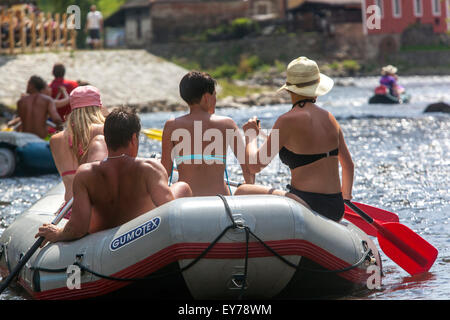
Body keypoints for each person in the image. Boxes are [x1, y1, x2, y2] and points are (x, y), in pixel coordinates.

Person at [35, 107, 191, 246]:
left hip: (100, 240)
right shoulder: (149, 168)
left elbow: (77, 228)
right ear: (134, 139)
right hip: (140, 237)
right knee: (182, 187)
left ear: (106, 138)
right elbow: (169, 210)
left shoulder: (85, 173)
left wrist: (57, 233)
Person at [234, 57, 354, 222]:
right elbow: (348, 165)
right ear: (316, 89)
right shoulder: (329, 118)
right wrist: (345, 198)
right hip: (336, 207)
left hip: (307, 204)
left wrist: (250, 135)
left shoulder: (287, 120)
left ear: (289, 90)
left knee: (242, 191)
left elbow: (254, 166)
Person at [161, 71, 254, 196]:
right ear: (206, 97)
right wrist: (250, 187)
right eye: (214, 95)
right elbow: (248, 168)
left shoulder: (172, 126)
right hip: (220, 199)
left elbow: (165, 173)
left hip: (187, 201)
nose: (215, 99)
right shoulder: (227, 124)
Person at [49, 85, 108, 202]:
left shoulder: (55, 139)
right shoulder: (104, 130)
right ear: (98, 107)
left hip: (69, 210)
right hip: (98, 207)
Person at [16, 75, 63, 139]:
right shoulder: (47, 100)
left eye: (28, 84)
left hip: (24, 140)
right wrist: (60, 133)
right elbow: (57, 119)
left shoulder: (21, 101)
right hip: (39, 140)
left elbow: (23, 121)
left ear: (32, 85)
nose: (26, 86)